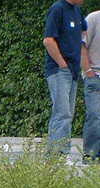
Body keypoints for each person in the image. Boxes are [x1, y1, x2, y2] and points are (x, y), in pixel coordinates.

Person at [43, 0, 88, 156]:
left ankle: (59, 152)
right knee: (62, 113)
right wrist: (62, 63)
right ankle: (56, 154)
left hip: (73, 71)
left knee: (68, 113)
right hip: (59, 70)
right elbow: (48, 40)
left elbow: (83, 38)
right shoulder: (58, 9)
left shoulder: (76, 11)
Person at [83, 10, 100, 160]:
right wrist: (88, 70)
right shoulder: (93, 18)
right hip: (95, 76)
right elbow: (82, 45)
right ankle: (91, 156)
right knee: (95, 116)